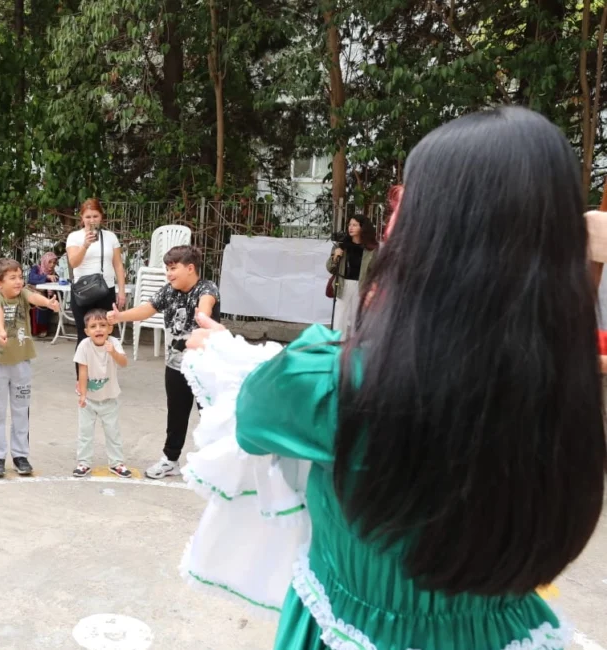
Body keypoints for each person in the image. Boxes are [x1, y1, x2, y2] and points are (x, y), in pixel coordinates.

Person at [181, 106, 605, 650]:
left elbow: (258, 411)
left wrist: (225, 348)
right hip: (505, 633)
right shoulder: (553, 385)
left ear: (434, 231)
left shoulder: (344, 384)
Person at [107, 245, 219, 479]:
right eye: (167, 269)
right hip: (176, 365)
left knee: (210, 417)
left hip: (206, 368)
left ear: (190, 268)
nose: (169, 274)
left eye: (173, 268)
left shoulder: (207, 288)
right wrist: (119, 316)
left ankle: (214, 464)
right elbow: (146, 310)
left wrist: (202, 316)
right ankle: (170, 460)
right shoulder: (169, 291)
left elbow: (206, 307)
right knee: (176, 415)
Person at [0, 258, 60, 478]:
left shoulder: (23, 295)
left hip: (22, 364)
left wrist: (48, 303)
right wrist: (0, 331)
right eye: (13, 278)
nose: (18, 281)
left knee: (21, 410)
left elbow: (34, 296)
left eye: (20, 276)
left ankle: (20, 455)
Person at [73, 308, 131, 478]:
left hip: (109, 398)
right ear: (87, 331)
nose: (98, 329)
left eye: (102, 325)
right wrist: (83, 394)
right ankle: (83, 463)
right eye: (93, 326)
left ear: (110, 328)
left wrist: (112, 352)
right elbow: (82, 371)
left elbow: (124, 363)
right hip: (89, 399)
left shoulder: (113, 343)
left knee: (113, 432)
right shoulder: (84, 345)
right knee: (85, 433)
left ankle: (117, 463)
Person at [66, 199, 126, 349]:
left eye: (95, 216)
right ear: (81, 218)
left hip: (106, 288)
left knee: (106, 333)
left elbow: (118, 265)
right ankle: (82, 372)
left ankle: (104, 372)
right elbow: (73, 263)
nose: (91, 220)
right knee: (83, 335)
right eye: (88, 217)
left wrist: (122, 292)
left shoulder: (110, 236)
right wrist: (85, 245)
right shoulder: (74, 237)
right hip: (82, 290)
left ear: (101, 217)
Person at [326, 216, 378, 335]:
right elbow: (330, 268)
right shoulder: (341, 246)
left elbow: (375, 271)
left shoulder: (371, 249)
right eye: (349, 225)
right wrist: (335, 257)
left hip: (361, 285)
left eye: (355, 225)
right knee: (339, 317)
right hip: (343, 284)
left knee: (358, 318)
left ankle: (355, 346)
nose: (351, 227)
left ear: (362, 227)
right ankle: (337, 345)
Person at [27, 251, 60, 336]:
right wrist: (46, 277)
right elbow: (31, 279)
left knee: (48, 302)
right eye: (49, 262)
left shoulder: (54, 274)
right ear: (44, 261)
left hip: (45, 296)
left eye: (54, 262)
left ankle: (42, 329)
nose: (52, 265)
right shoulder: (36, 268)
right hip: (32, 294)